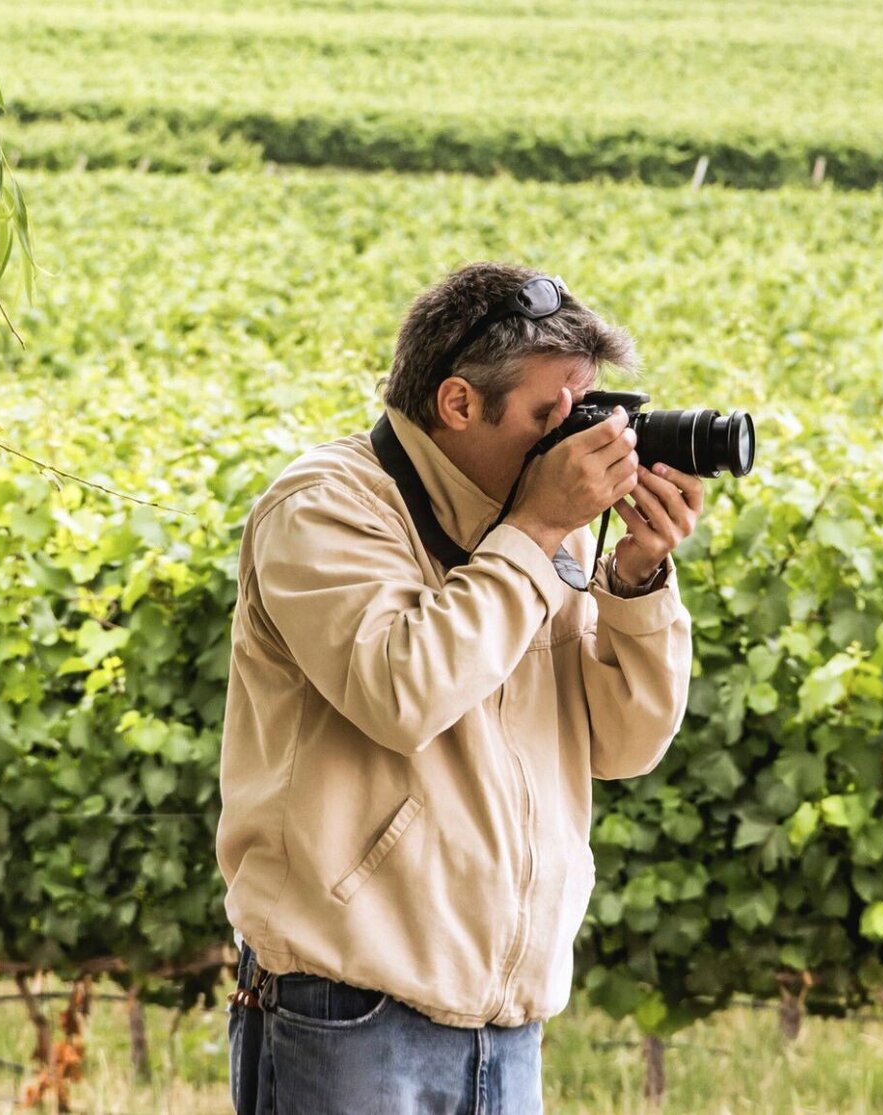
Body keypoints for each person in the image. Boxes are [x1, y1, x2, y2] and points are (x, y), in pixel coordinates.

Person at [216, 262, 699, 1113]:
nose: (576, 442)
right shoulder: (325, 507)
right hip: (348, 1014)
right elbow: (402, 691)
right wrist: (539, 527)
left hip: (507, 1026)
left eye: (586, 411)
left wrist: (636, 577)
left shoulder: (532, 528)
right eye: (551, 415)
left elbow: (625, 745)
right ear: (457, 404)